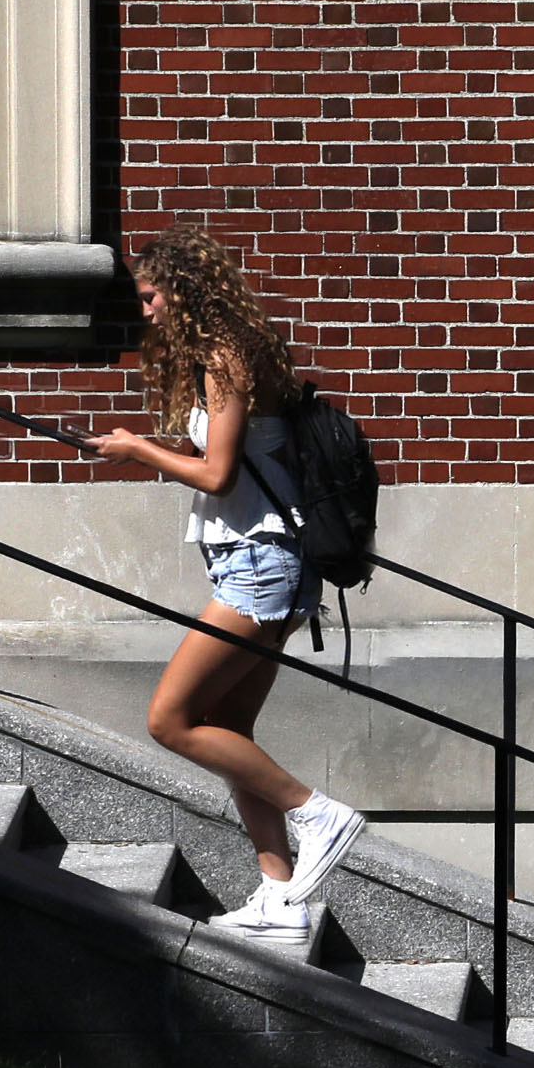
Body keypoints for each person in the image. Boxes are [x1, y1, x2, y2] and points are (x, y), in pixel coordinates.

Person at [85, 224, 365, 947]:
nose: (145, 312)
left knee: (170, 719)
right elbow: (218, 453)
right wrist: (147, 445)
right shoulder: (227, 352)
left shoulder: (225, 353)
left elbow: (218, 474)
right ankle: (280, 896)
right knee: (230, 728)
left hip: (263, 563)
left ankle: (317, 814)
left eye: (150, 297)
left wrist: (140, 449)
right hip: (254, 559)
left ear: (181, 288)